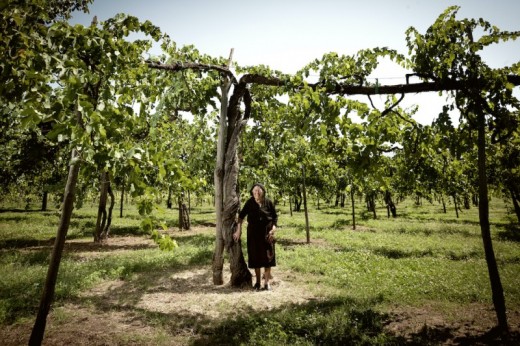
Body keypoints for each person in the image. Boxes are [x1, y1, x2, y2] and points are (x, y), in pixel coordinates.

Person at [233, 183, 278, 291]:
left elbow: (275, 218)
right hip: (253, 235)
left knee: (268, 258)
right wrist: (238, 230)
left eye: (258, 190)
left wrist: (273, 230)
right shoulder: (250, 202)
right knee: (256, 258)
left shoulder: (268, 202)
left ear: (263, 191)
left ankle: (267, 283)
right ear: (252, 192)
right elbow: (241, 217)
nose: (256, 192)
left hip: (267, 234)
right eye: (254, 191)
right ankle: (257, 282)